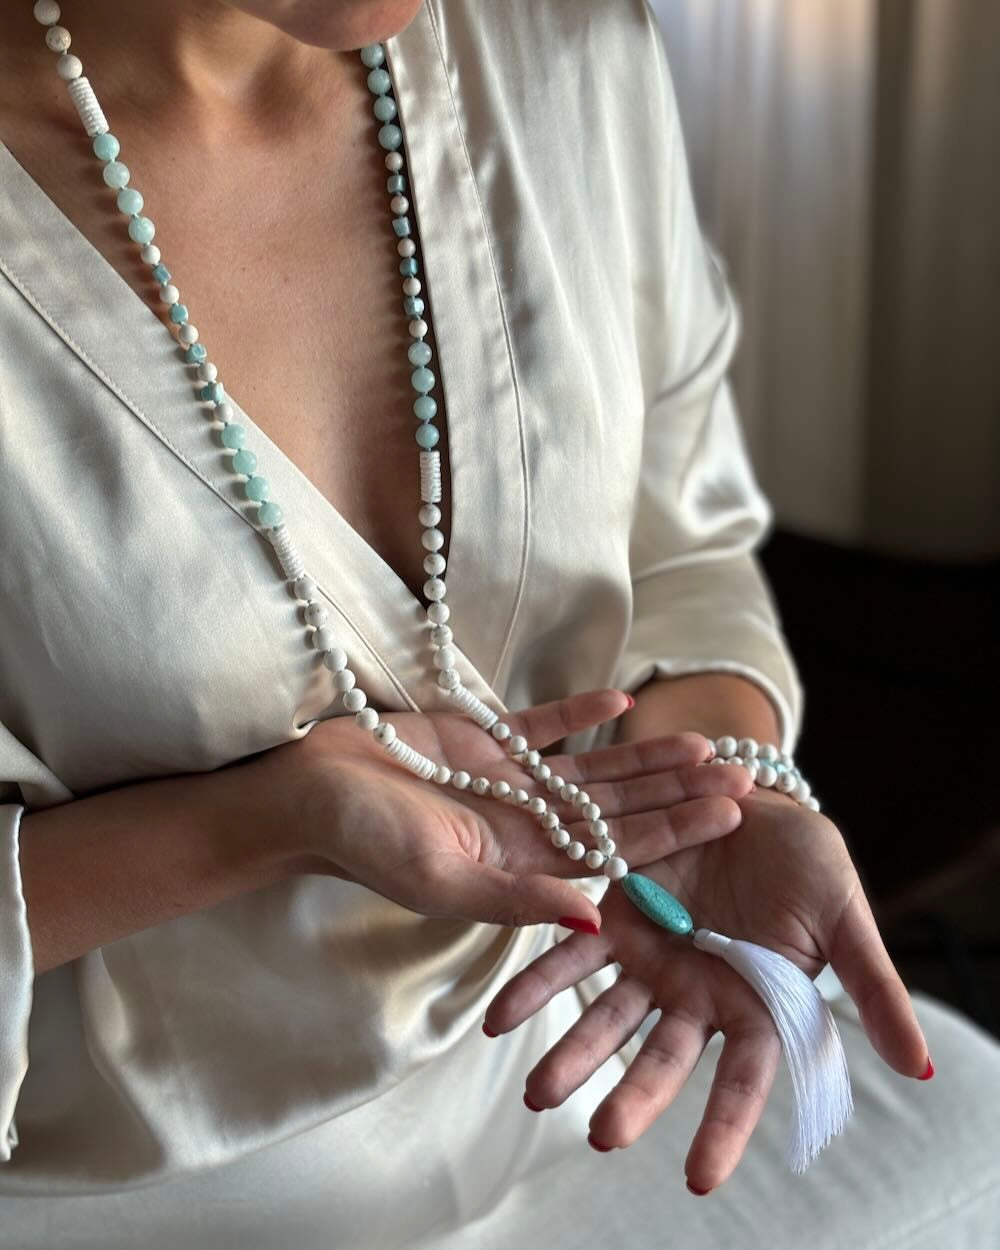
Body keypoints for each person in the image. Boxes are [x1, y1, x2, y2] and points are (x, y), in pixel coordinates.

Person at [0, 0, 997, 1245]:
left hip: (565, 1041)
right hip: (125, 1186)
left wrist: (722, 786)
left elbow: (682, 544)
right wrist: (252, 822)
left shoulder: (559, 45)